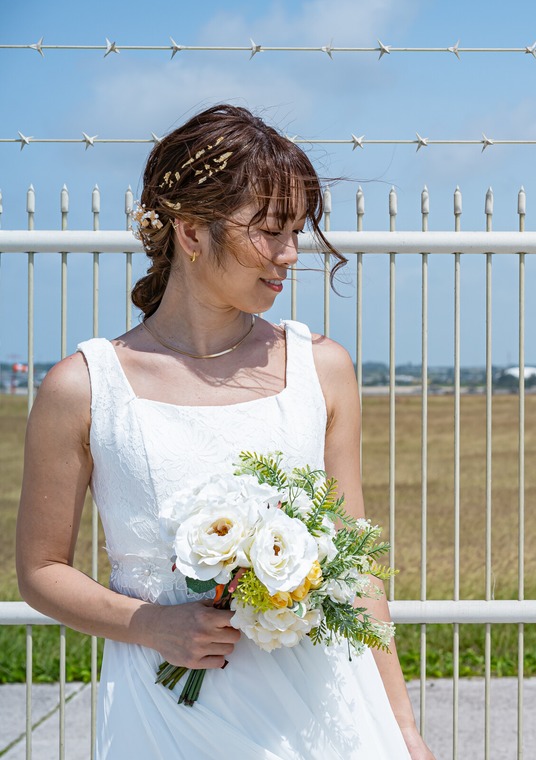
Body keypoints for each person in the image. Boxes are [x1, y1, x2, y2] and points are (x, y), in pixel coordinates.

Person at [15, 104, 434, 759]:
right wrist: (152, 625)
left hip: (322, 710)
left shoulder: (322, 368)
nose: (290, 254)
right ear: (190, 230)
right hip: (165, 716)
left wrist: (401, 726)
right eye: (269, 231)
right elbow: (40, 571)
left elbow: (357, 568)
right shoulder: (83, 387)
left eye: (296, 231)